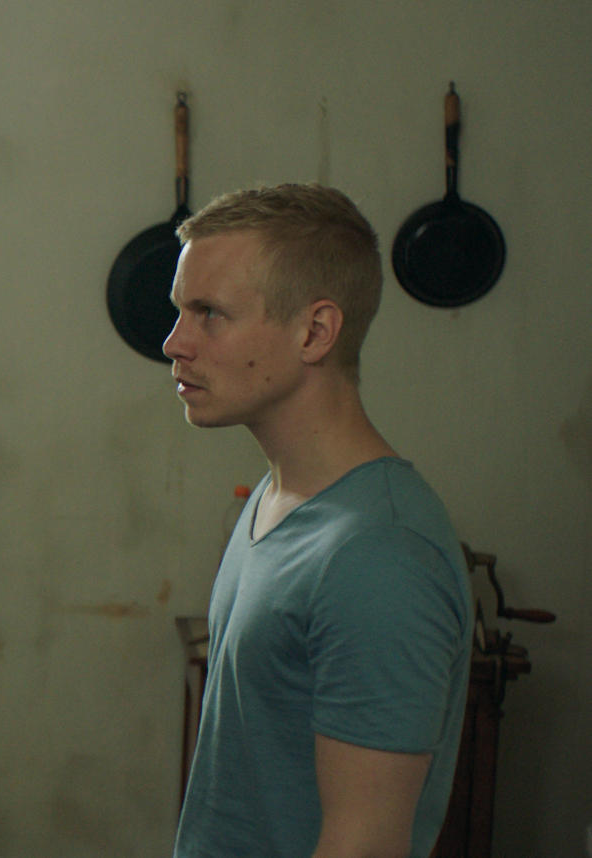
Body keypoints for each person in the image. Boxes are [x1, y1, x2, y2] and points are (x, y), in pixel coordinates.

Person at [164, 184, 471, 858]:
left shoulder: (379, 556)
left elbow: (364, 845)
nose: (174, 342)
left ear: (315, 332)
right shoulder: (276, 497)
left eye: (209, 314)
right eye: (180, 310)